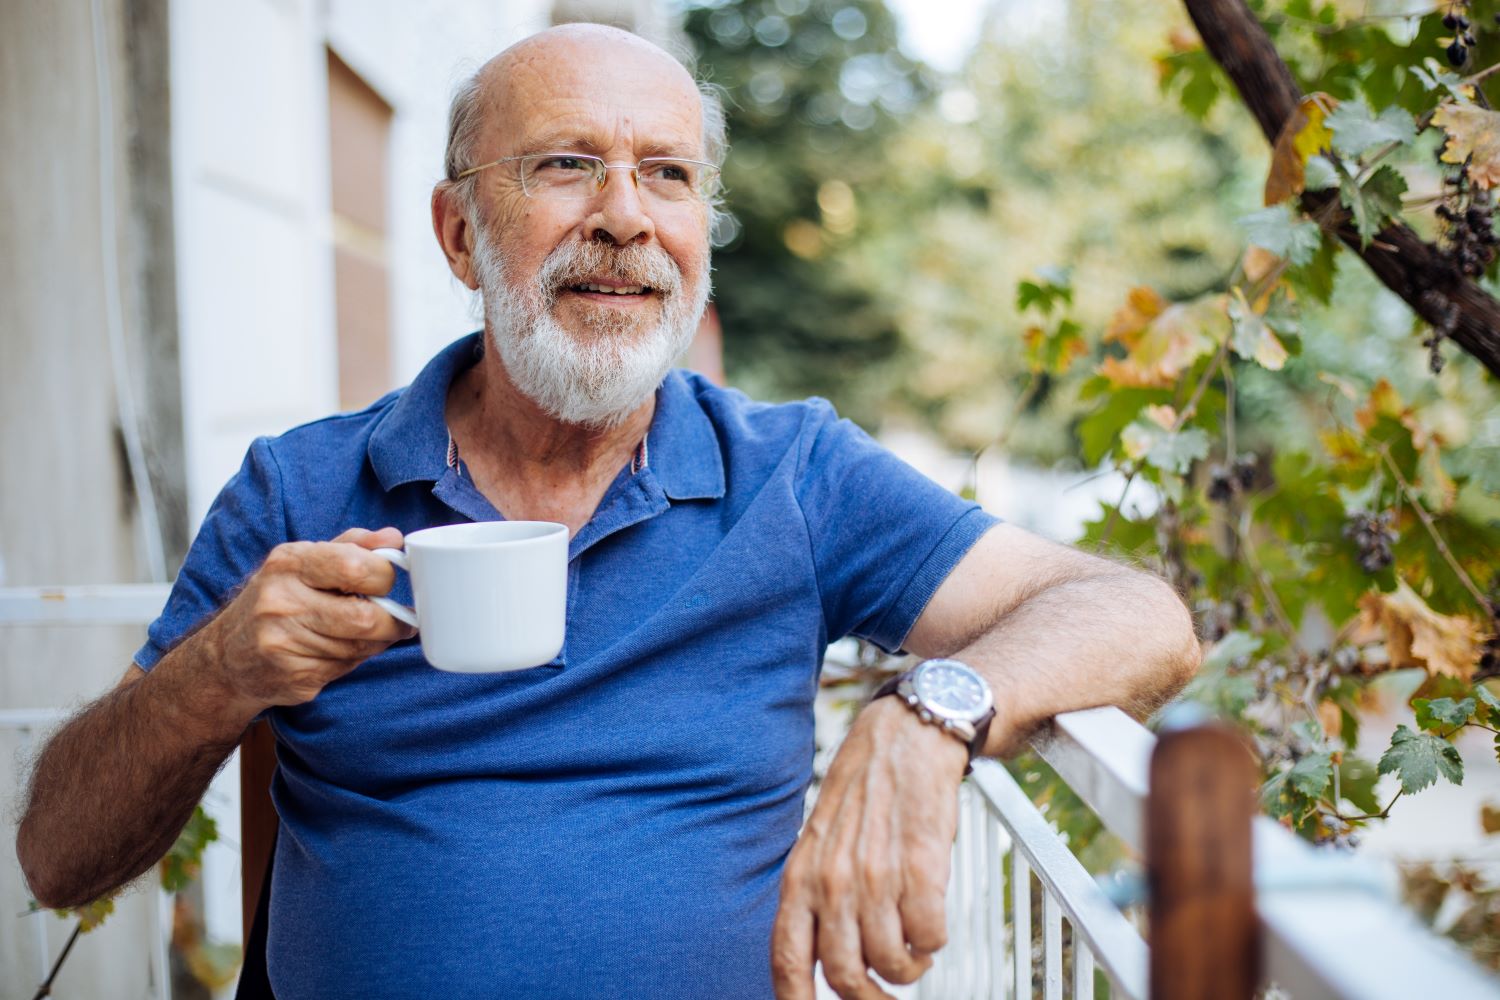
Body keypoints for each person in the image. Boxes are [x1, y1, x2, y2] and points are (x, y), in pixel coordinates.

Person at [16, 24, 1198, 1000]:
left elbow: (1139, 616)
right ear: (457, 235)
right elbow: (59, 856)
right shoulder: (302, 489)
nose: (627, 217)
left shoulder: (791, 473)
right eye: (566, 164)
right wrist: (220, 668)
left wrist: (930, 711)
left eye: (668, 173)